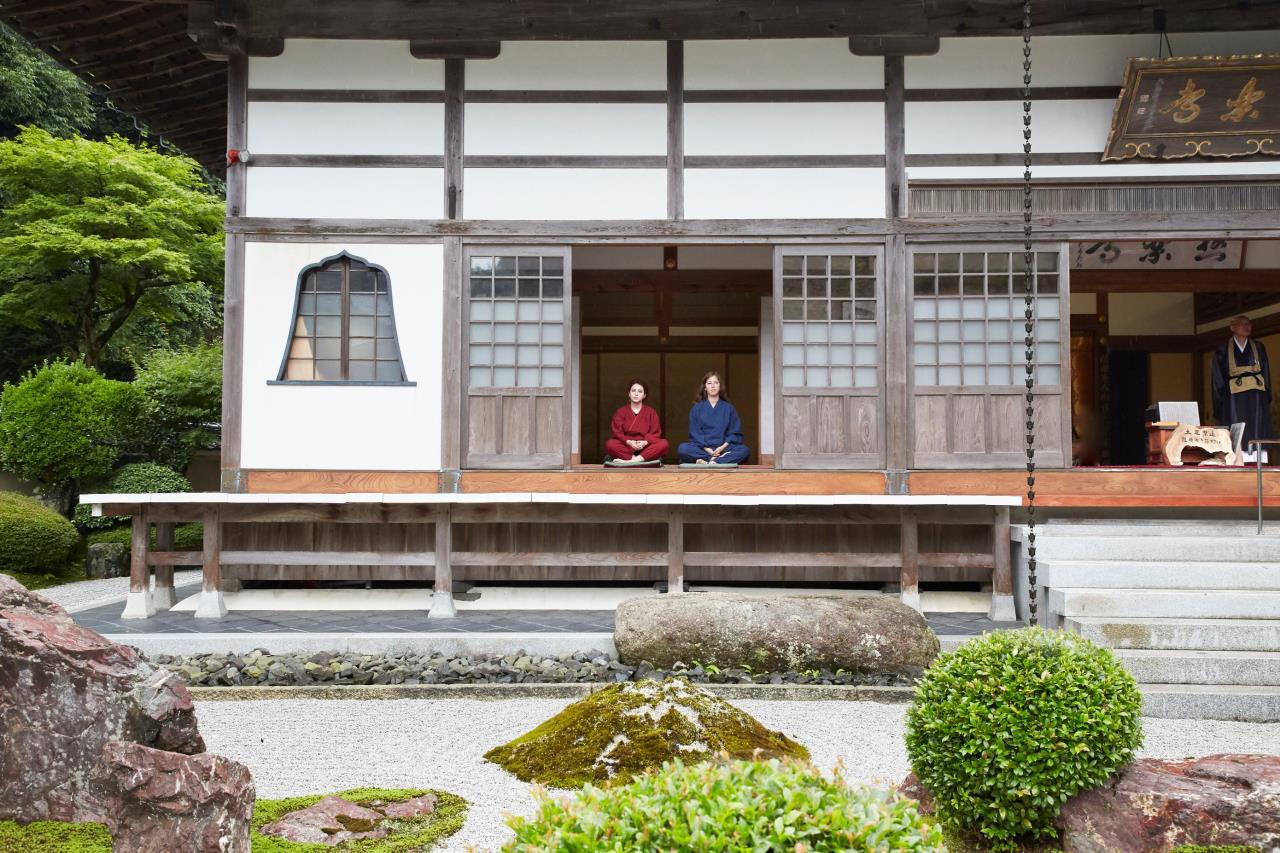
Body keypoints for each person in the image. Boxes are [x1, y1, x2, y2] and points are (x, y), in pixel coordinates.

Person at [1212, 315, 1272, 463]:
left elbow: (1265, 373)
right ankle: (1236, 457)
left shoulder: (1258, 347)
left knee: (1257, 425)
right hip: (1233, 395)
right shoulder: (1223, 350)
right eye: (1242, 324)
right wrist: (1220, 401)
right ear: (1232, 328)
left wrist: (1266, 395)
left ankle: (1257, 458)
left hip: (1256, 394)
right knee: (1236, 424)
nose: (1247, 327)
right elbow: (1218, 378)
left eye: (1249, 324)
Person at [678, 371, 749, 465]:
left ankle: (711, 461)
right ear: (705, 387)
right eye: (709, 383)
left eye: (716, 383)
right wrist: (708, 450)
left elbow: (734, 433)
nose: (713, 386)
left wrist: (721, 448)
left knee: (744, 450)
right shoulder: (697, 408)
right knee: (683, 448)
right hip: (703, 449)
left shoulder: (728, 408)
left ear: (720, 386)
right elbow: (695, 434)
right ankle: (715, 460)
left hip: (723, 449)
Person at [604, 380, 669, 465]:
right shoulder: (621, 412)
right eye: (633, 391)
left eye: (640, 391)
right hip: (626, 447)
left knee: (664, 443)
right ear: (629, 394)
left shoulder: (651, 412)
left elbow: (656, 432)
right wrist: (629, 442)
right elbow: (617, 432)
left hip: (645, 447)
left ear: (644, 395)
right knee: (610, 444)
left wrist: (645, 442)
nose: (636, 393)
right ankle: (638, 459)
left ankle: (634, 460)